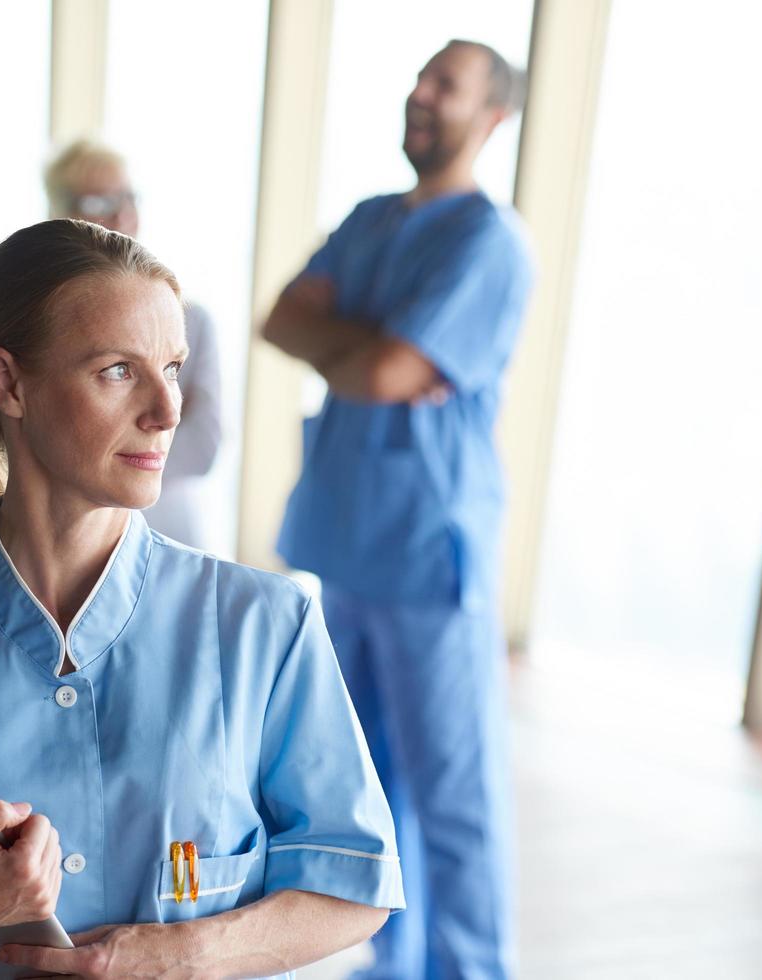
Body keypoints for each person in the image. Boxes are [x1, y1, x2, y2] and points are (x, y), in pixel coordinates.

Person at [0, 220, 403, 979]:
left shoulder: (266, 629)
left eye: (173, 367)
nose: (167, 409)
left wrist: (177, 954)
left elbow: (355, 889)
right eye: (118, 370)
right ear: (7, 383)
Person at [261, 40, 534, 980]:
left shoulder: (487, 244)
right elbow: (281, 319)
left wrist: (363, 353)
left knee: (452, 799)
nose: (421, 95)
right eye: (420, 79)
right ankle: (391, 965)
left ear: (492, 117)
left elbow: (384, 369)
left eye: (446, 86)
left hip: (427, 551)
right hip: (348, 547)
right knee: (368, 793)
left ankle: (468, 969)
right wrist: (372, 352)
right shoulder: (372, 218)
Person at [45, 139, 223, 549]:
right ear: (58, 212)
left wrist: (100, 460)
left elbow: (204, 445)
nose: (122, 215)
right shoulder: (34, 324)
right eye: (98, 201)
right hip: (68, 541)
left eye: (128, 198)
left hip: (170, 529)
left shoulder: (192, 320)